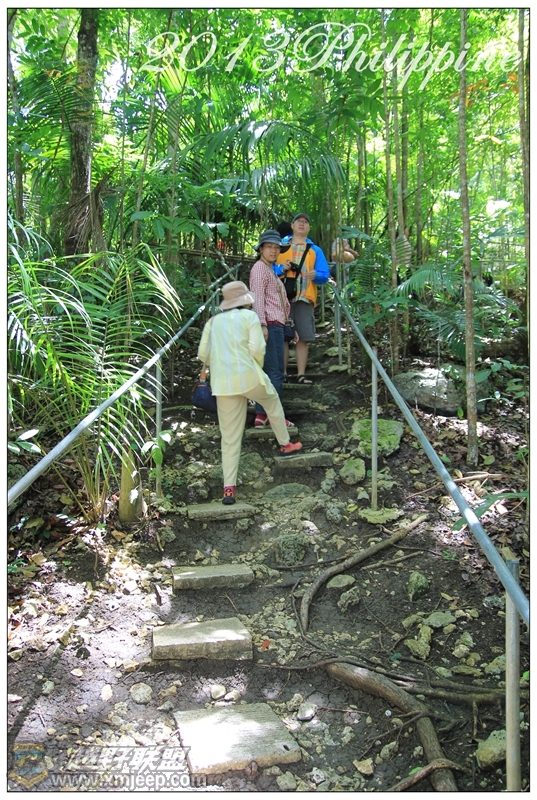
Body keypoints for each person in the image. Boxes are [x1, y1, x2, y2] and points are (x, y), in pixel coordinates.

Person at [197, 281, 303, 505]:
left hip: (223, 384)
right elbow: (257, 349)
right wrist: (255, 364)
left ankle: (228, 489)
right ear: (244, 300)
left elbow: (203, 355)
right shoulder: (249, 317)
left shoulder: (213, 322)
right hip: (248, 376)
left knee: (230, 437)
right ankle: (284, 443)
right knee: (272, 402)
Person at [249, 229, 297, 428]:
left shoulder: (270, 270)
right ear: (261, 249)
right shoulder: (260, 269)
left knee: (269, 371)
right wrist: (262, 324)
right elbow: (258, 298)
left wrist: (289, 325)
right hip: (269, 324)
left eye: (277, 247)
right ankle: (275, 416)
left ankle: (262, 415)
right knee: (275, 372)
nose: (273, 250)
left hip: (276, 324)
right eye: (269, 247)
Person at [275, 213, 330, 384]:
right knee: (283, 337)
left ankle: (301, 375)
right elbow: (267, 268)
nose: (302, 224)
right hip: (281, 298)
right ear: (292, 225)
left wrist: (317, 275)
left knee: (303, 338)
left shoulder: (315, 250)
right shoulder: (280, 246)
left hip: (305, 298)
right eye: (298, 221)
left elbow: (324, 274)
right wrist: (280, 269)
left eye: (305, 222)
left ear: (309, 228)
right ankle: (283, 374)